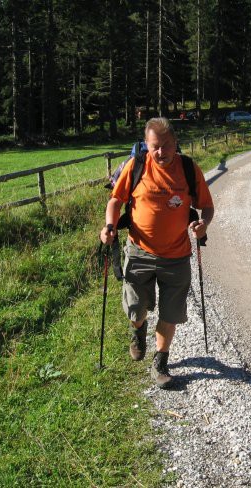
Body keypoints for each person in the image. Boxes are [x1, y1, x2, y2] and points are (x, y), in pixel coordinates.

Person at [100, 117, 214, 389]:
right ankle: (138, 331)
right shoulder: (136, 166)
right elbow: (116, 200)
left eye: (166, 146)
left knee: (170, 313)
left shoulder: (188, 169)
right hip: (139, 252)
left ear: (176, 143)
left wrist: (203, 224)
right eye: (155, 147)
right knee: (137, 309)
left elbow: (206, 206)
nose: (161, 152)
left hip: (176, 257)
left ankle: (161, 361)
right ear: (146, 146)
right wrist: (109, 226)